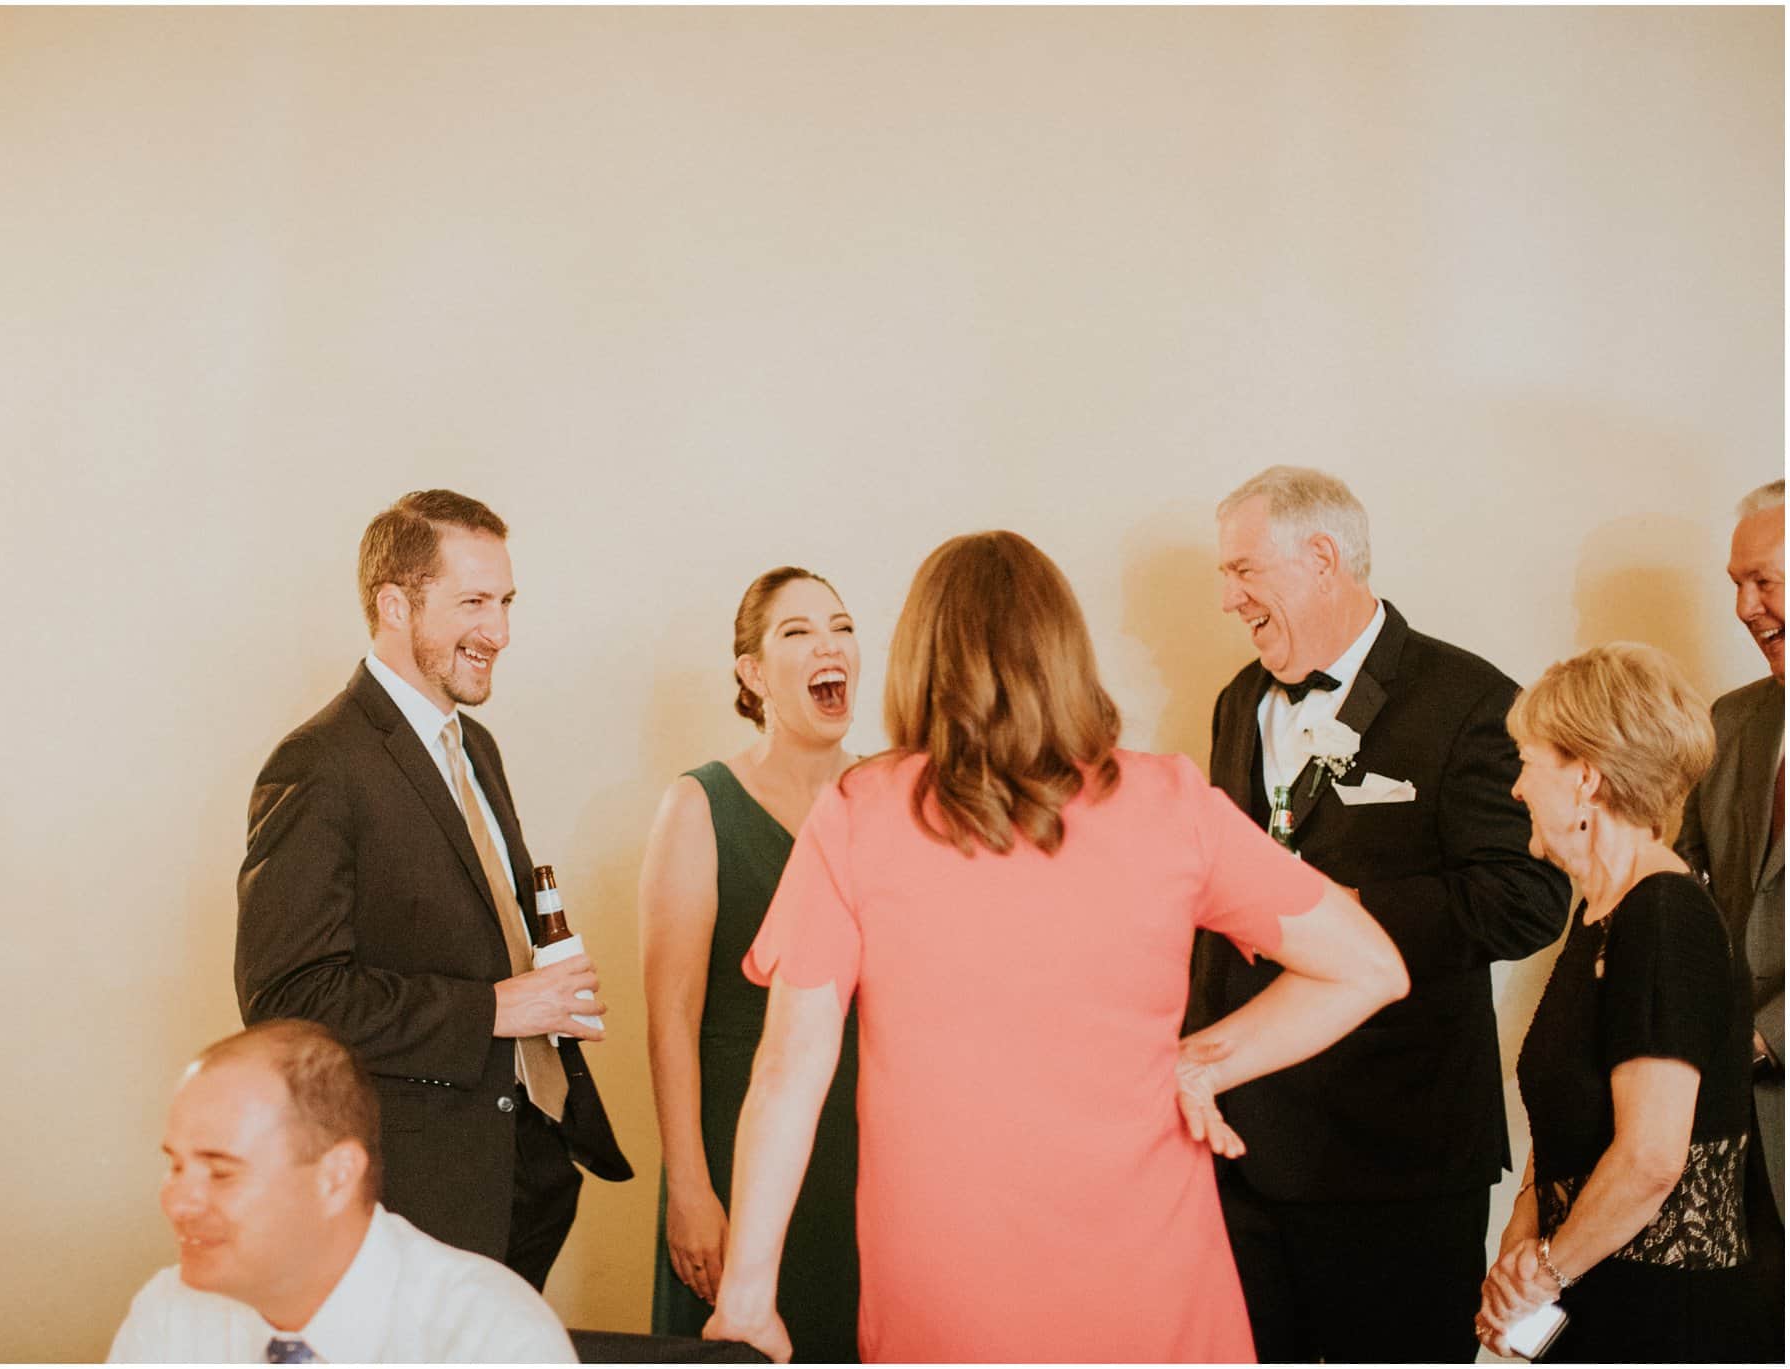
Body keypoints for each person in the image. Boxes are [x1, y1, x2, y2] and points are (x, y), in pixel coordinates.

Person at [701, 530, 1409, 1363]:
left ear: (921, 659)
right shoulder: (1171, 800)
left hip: (951, 1294)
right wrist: (1203, 1062)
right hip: (1154, 1290)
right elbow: (1368, 966)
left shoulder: (858, 813)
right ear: (1066, 650)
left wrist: (747, 1296)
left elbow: (789, 1067)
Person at [1186, 465, 1571, 1362]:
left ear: (1322, 557)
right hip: (1245, 1153)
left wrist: (1348, 912)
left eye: (1243, 570)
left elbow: (1527, 898)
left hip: (1397, 1158)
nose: (1227, 597)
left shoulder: (1470, 701)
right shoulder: (1237, 701)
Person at [234, 490, 630, 1292]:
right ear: (394, 605)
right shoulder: (319, 763)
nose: (501, 631)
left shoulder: (476, 745)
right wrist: (495, 1009)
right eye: (474, 603)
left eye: (507, 602)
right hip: (424, 1195)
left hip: (528, 1166)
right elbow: (286, 999)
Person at [1477, 644, 1774, 1362]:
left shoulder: (1664, 915)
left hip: (1663, 1315)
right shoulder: (1603, 910)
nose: (1516, 789)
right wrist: (1522, 1234)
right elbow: (1572, 1115)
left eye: (1527, 761)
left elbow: (1650, 1158)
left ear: (1585, 778)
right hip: (1600, 1287)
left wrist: (1541, 1276)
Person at [640, 568, 861, 1360]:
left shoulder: (890, 798)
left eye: (841, 627)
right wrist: (691, 1189)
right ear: (754, 673)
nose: (830, 645)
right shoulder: (700, 806)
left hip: (869, 1163)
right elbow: (671, 1019)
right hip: (738, 1162)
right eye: (798, 632)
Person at [109, 1020, 576, 1363]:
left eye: (221, 1172)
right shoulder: (170, 1310)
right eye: (176, 1165)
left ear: (335, 1176)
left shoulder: (491, 1338)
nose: (178, 1202)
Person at [1676, 479, 1785, 1247]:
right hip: (1735, 1139)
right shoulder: (1731, 719)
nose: (1745, 607)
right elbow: (1686, 891)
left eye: (1764, 581)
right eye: (1736, 584)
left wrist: (1762, 1034)